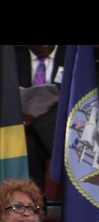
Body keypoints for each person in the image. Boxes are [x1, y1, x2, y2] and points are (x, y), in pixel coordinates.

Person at [15, 45, 65, 193]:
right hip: (22, 127)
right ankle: (34, 201)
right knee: (27, 144)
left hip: (60, 127)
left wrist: (35, 120)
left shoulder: (71, 55)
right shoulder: (12, 56)